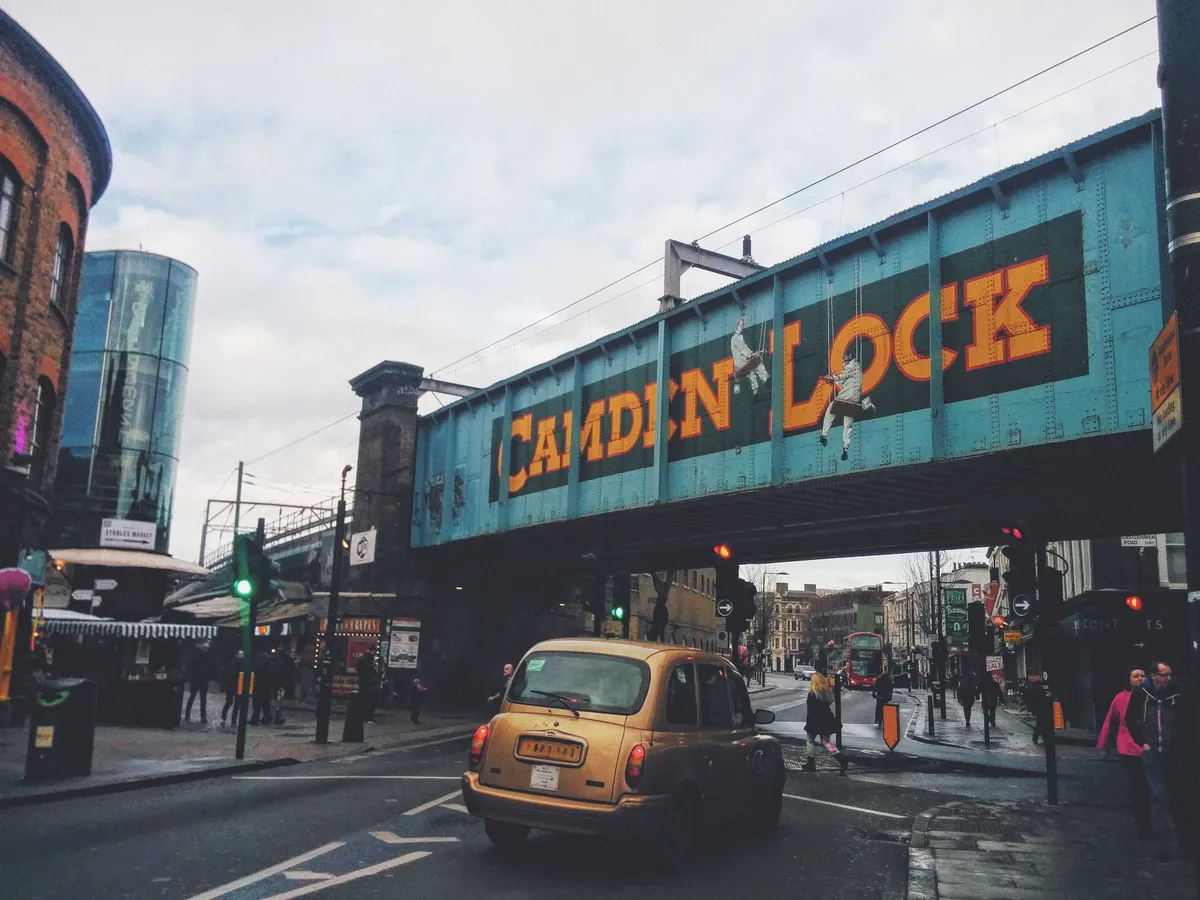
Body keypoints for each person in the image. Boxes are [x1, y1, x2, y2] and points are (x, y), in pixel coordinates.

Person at [1125, 660, 1190, 861]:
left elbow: (1186, 719)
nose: (1167, 678)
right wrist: (1142, 742)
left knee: (1176, 792)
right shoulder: (1141, 694)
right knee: (1158, 793)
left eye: (1169, 675)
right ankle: (1162, 835)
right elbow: (1130, 719)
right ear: (1154, 676)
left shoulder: (1177, 693)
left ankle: (1179, 834)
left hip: (1174, 751)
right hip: (1153, 750)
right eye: (1163, 675)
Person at [1096, 666, 1150, 838]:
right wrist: (1104, 745)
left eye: (1142, 676)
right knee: (1139, 782)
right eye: (1136, 676)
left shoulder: (1150, 696)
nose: (1140, 679)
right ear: (1129, 680)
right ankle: (1142, 817)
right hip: (1128, 746)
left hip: (1148, 746)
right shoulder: (1121, 698)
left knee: (1146, 783)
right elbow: (1110, 721)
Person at [818, 347, 877, 461]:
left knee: (831, 410)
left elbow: (842, 377)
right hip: (854, 398)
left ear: (850, 357)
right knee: (848, 424)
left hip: (847, 396)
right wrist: (832, 378)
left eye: (845, 357)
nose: (843, 360)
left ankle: (824, 435)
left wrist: (832, 377)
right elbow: (842, 381)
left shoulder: (852, 366)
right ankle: (845, 449)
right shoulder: (856, 367)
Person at [802, 673, 847, 775]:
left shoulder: (812, 694)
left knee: (810, 742)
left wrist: (808, 722)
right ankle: (841, 759)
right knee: (826, 742)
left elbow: (810, 710)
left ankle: (810, 763)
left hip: (814, 721)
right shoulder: (826, 692)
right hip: (826, 720)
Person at [184, 642, 214, 724]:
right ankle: (201, 715)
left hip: (199, 679)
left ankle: (189, 714)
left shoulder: (198, 656)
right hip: (199, 679)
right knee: (200, 698)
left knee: (194, 697)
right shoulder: (205, 657)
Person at [221, 651, 245, 726]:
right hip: (231, 685)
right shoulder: (231, 664)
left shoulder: (243, 665)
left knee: (237, 703)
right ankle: (224, 713)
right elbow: (225, 674)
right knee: (229, 701)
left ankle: (234, 718)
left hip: (238, 685)